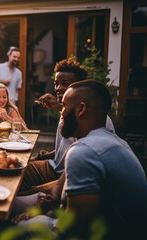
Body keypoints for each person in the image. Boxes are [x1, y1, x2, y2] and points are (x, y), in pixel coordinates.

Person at [15, 80, 147, 239]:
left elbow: (72, 230)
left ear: (81, 109)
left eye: (63, 106)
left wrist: (34, 220)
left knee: (9, 223)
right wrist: (51, 207)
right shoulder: (114, 140)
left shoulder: (84, 151)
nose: (61, 112)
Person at [18, 58, 114, 193]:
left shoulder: (93, 119)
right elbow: (68, 147)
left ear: (79, 86)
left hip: (62, 173)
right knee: (18, 168)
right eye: (56, 83)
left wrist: (40, 190)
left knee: (17, 176)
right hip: (55, 166)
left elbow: (81, 156)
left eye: (65, 84)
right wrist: (50, 154)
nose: (58, 88)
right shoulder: (68, 110)